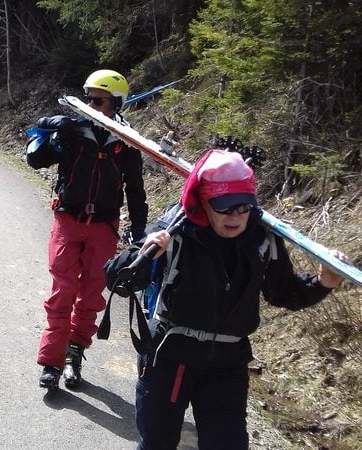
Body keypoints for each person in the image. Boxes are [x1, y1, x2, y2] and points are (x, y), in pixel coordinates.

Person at [104, 149, 347, 449]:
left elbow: (284, 292)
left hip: (227, 364)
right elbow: (116, 278)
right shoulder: (176, 229)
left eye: (243, 206)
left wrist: (323, 283)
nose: (235, 215)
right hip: (170, 357)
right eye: (224, 207)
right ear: (204, 202)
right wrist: (143, 256)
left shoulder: (261, 238)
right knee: (157, 443)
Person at [26, 69, 148, 389]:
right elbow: (36, 160)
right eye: (88, 99)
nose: (91, 105)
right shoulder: (74, 132)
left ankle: (73, 355)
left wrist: (139, 231)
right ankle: (50, 361)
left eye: (98, 100)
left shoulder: (127, 142)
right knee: (62, 292)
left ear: (116, 103)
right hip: (68, 221)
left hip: (104, 227)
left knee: (91, 296)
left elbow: (136, 190)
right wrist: (55, 131)